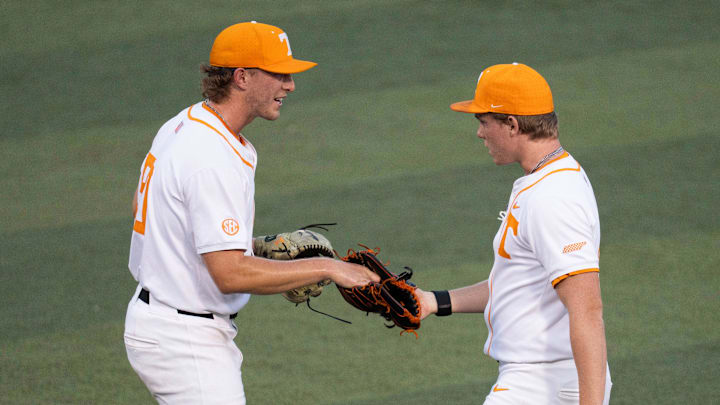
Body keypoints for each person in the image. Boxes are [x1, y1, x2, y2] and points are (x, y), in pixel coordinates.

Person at [123, 21, 380, 404]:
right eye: (279, 74)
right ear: (242, 77)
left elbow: (144, 207)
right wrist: (330, 268)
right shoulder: (212, 156)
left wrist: (248, 246)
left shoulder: (186, 123)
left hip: (160, 320)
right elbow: (229, 274)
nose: (290, 85)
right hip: (184, 339)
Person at [416, 63, 612, 405]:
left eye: (483, 122)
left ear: (512, 124)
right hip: (540, 378)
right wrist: (435, 301)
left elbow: (588, 310)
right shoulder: (544, 179)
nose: (479, 133)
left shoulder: (553, 195)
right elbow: (520, 285)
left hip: (545, 383)